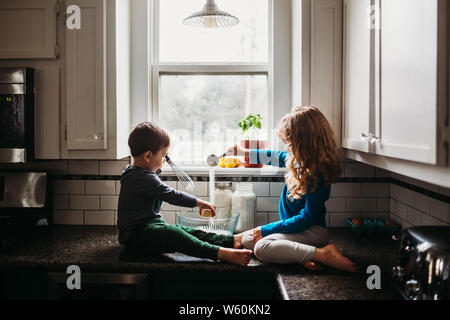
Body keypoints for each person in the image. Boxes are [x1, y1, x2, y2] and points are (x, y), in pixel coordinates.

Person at [229, 106, 359, 273]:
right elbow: (274, 156)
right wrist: (243, 152)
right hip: (296, 231)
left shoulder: (316, 173)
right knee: (248, 240)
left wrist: (266, 229)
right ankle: (304, 257)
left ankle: (323, 254)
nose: (287, 147)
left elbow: (306, 219)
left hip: (312, 232)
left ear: (302, 144)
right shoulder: (297, 161)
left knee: (262, 247)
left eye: (289, 143)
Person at [117, 121, 253, 266]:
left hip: (149, 231)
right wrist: (200, 203)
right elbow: (172, 195)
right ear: (148, 156)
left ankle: (231, 241)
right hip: (136, 237)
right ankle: (220, 253)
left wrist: (159, 162)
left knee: (185, 231)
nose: (164, 159)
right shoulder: (141, 177)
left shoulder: (137, 173)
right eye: (163, 155)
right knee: (174, 234)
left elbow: (154, 175)